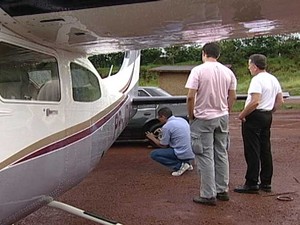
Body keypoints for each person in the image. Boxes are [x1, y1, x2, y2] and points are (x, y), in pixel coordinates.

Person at [185, 42, 237, 206]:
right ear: (218, 55)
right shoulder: (228, 72)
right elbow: (233, 95)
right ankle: (222, 190)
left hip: (204, 117)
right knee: (221, 153)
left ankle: (208, 194)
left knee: (205, 155)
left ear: (204, 53)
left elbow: (190, 96)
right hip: (222, 116)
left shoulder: (198, 71)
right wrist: (227, 110)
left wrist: (191, 115)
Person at [234, 54, 284, 194]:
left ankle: (252, 182)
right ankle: (266, 182)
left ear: (255, 66)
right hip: (267, 115)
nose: (249, 67)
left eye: (249, 65)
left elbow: (255, 101)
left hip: (255, 116)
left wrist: (242, 114)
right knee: (265, 148)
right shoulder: (273, 79)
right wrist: (270, 111)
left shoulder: (257, 80)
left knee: (252, 150)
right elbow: (280, 100)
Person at [146, 107, 195, 177]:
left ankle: (179, 166)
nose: (158, 119)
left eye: (159, 117)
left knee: (154, 154)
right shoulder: (181, 120)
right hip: (191, 152)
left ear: (163, 116)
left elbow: (163, 145)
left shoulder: (167, 126)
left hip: (181, 152)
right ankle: (187, 163)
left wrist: (152, 138)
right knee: (177, 145)